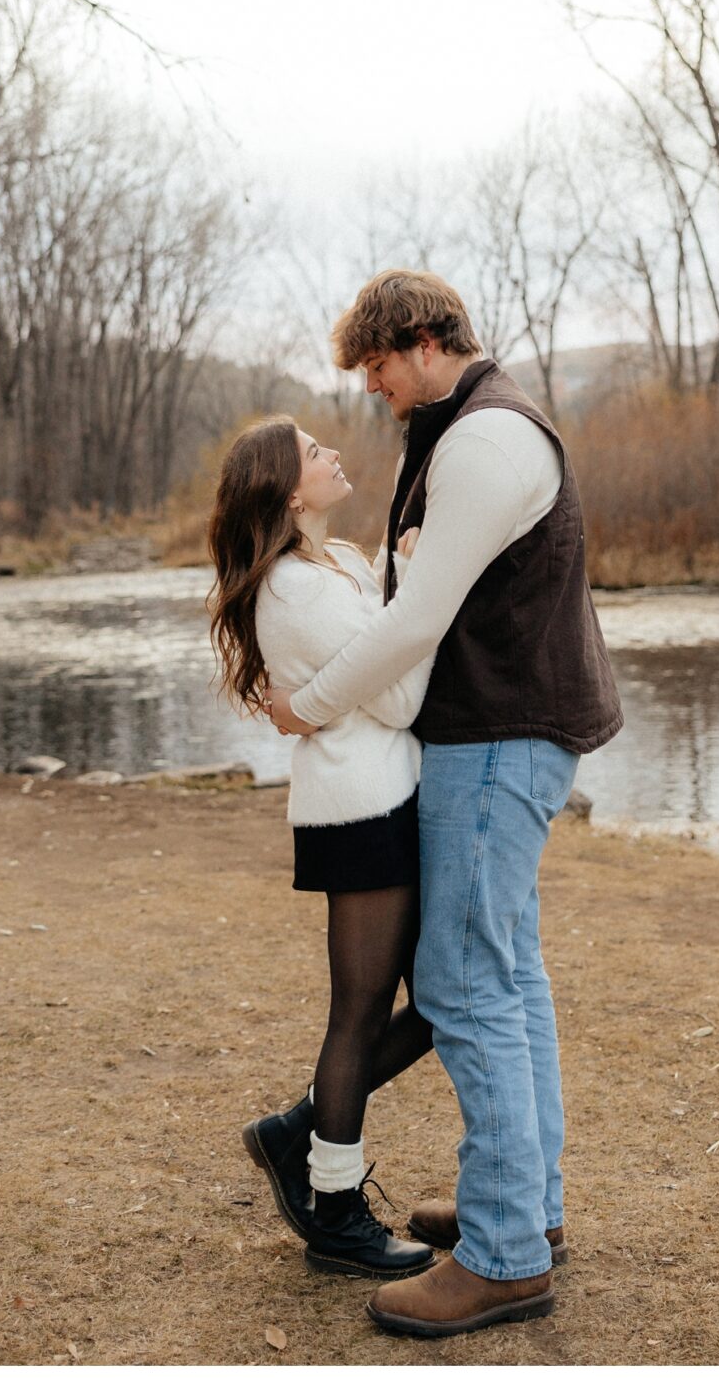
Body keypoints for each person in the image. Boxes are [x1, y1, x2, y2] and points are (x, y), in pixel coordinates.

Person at [264, 269, 621, 1340]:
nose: (371, 391)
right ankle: (526, 1207)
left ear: (421, 342)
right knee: (506, 971)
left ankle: (504, 1255)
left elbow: (416, 623)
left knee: (465, 982)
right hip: (498, 732)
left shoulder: (484, 441)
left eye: (375, 368)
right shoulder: (457, 428)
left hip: (498, 738)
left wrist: (309, 707)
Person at [208, 416, 437, 1279]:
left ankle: (297, 1129)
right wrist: (414, 579)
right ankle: (335, 1209)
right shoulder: (297, 592)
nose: (333, 452)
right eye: (313, 451)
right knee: (361, 1011)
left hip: (383, 797)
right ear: (288, 489)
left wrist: (398, 573)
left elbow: (383, 650)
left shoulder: (333, 564)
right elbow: (404, 695)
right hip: (361, 808)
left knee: (442, 1001)